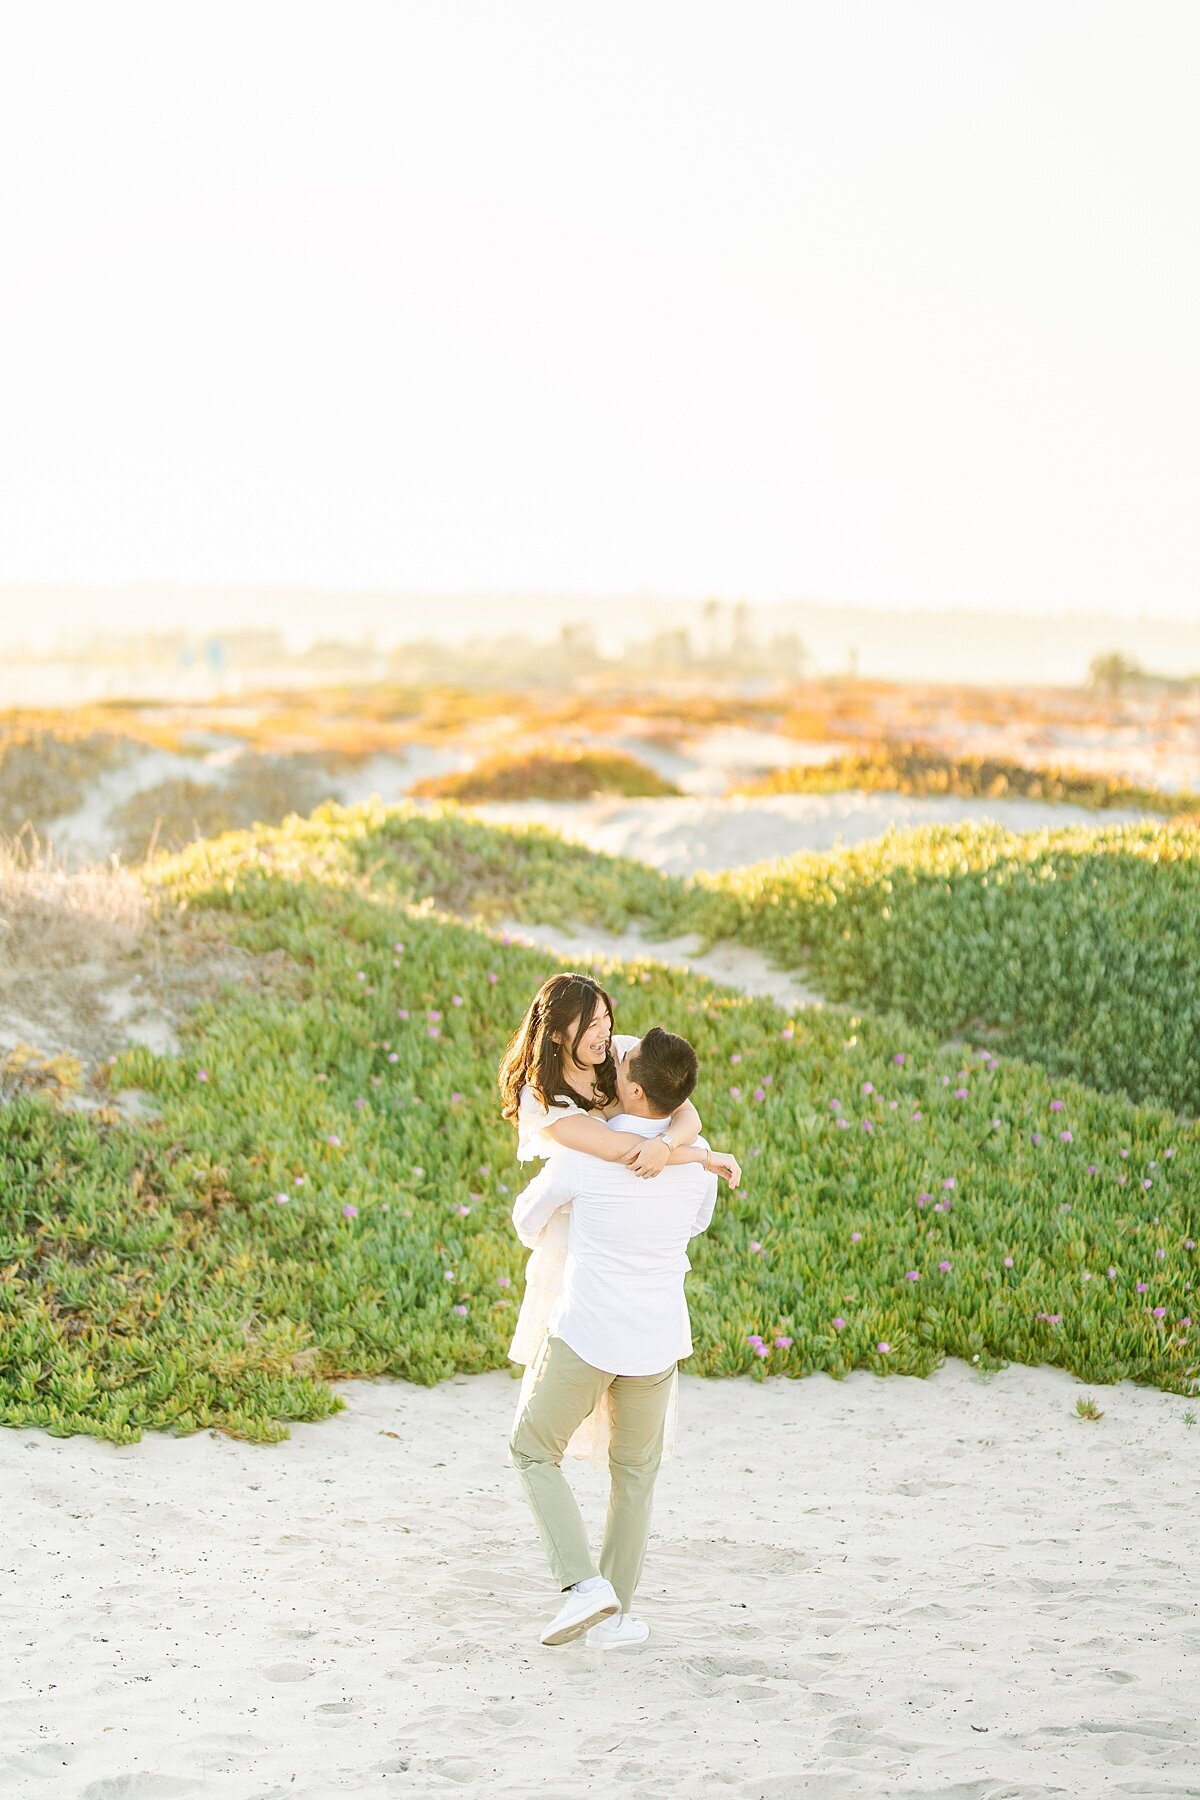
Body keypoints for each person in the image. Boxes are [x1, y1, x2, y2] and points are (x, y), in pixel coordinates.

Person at [507, 1024, 722, 1650]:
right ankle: (617, 1618)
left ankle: (581, 1585)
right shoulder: (697, 1161)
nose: (615, 1056)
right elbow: (696, 1222)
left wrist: (576, 1220)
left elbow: (526, 1219)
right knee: (634, 1476)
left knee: (531, 1449)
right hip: (657, 1340)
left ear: (630, 1091)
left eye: (622, 1059)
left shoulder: (586, 1157)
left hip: (589, 1334)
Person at [498, 974, 740, 1470]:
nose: (605, 1032)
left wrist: (671, 1145)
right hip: (583, 1214)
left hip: (633, 1205)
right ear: (558, 1034)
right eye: (591, 1024)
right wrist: (699, 1157)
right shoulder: (541, 1096)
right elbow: (615, 1150)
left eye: (607, 1016)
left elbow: (682, 1112)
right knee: (574, 1351)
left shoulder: (622, 1052)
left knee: (626, 1355)